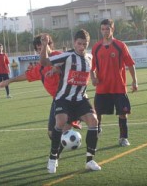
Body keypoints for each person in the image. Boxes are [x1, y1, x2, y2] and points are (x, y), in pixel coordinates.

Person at [40, 30, 101, 173]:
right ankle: (53, 158)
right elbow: (44, 62)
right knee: (60, 122)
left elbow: (92, 69)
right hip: (64, 98)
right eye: (79, 44)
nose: (81, 47)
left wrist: (93, 77)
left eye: (84, 44)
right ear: (74, 43)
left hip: (80, 98)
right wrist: (44, 46)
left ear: (87, 44)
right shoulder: (67, 56)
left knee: (94, 121)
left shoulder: (90, 58)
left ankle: (90, 160)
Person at [0, 34, 81, 140]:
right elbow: (27, 75)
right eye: (39, 49)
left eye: (43, 47)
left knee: (63, 129)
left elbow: (73, 65)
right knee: (52, 133)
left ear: (49, 45)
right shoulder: (41, 66)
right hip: (57, 100)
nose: (42, 51)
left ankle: (78, 118)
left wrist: (57, 69)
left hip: (69, 98)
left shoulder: (60, 56)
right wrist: (9, 80)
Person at [90, 19, 138, 147]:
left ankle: (123, 137)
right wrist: (93, 78)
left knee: (123, 113)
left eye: (107, 29)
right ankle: (97, 129)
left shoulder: (120, 46)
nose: (105, 32)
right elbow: (92, 67)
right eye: (103, 29)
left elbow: (130, 64)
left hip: (118, 87)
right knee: (98, 113)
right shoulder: (96, 47)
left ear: (112, 29)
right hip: (102, 87)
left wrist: (134, 81)